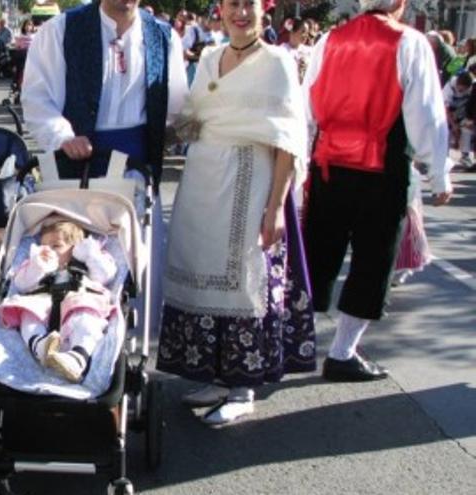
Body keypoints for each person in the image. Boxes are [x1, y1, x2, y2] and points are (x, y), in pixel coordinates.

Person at [159, 0, 316, 427]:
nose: (240, 13)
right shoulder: (209, 57)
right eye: (232, 4)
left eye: (249, 4)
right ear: (221, 10)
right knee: (202, 269)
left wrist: (276, 209)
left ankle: (243, 386)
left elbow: (288, 140)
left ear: (265, 11)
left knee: (244, 280)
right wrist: (151, 133)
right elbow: (193, 120)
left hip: (251, 180)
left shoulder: (278, 61)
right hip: (203, 181)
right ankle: (216, 375)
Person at [302, 0, 453, 382]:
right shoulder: (410, 42)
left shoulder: (330, 40)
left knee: (318, 252)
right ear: (399, 3)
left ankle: (295, 342)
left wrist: (303, 158)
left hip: (328, 164)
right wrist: (439, 173)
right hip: (381, 168)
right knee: (373, 260)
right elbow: (426, 114)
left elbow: (306, 104)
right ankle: (342, 352)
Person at [20, 0, 187, 337]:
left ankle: (120, 353)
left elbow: (176, 107)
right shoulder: (61, 29)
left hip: (135, 171)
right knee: (72, 258)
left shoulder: (163, 37)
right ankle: (64, 337)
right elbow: (37, 98)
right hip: (75, 169)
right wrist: (62, 135)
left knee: (124, 268)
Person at [0, 219, 118, 382]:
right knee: (28, 313)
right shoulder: (37, 265)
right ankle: (40, 346)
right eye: (44, 246)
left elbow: (106, 274)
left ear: (76, 247)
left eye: (56, 246)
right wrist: (37, 266)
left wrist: (90, 253)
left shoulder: (87, 262)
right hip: (44, 304)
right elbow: (20, 284)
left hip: (77, 302)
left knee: (87, 320)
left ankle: (77, 357)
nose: (48, 250)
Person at [281, 17, 311, 81]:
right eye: (303, 31)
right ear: (292, 31)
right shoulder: (282, 50)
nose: (306, 35)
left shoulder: (309, 51)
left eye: (307, 33)